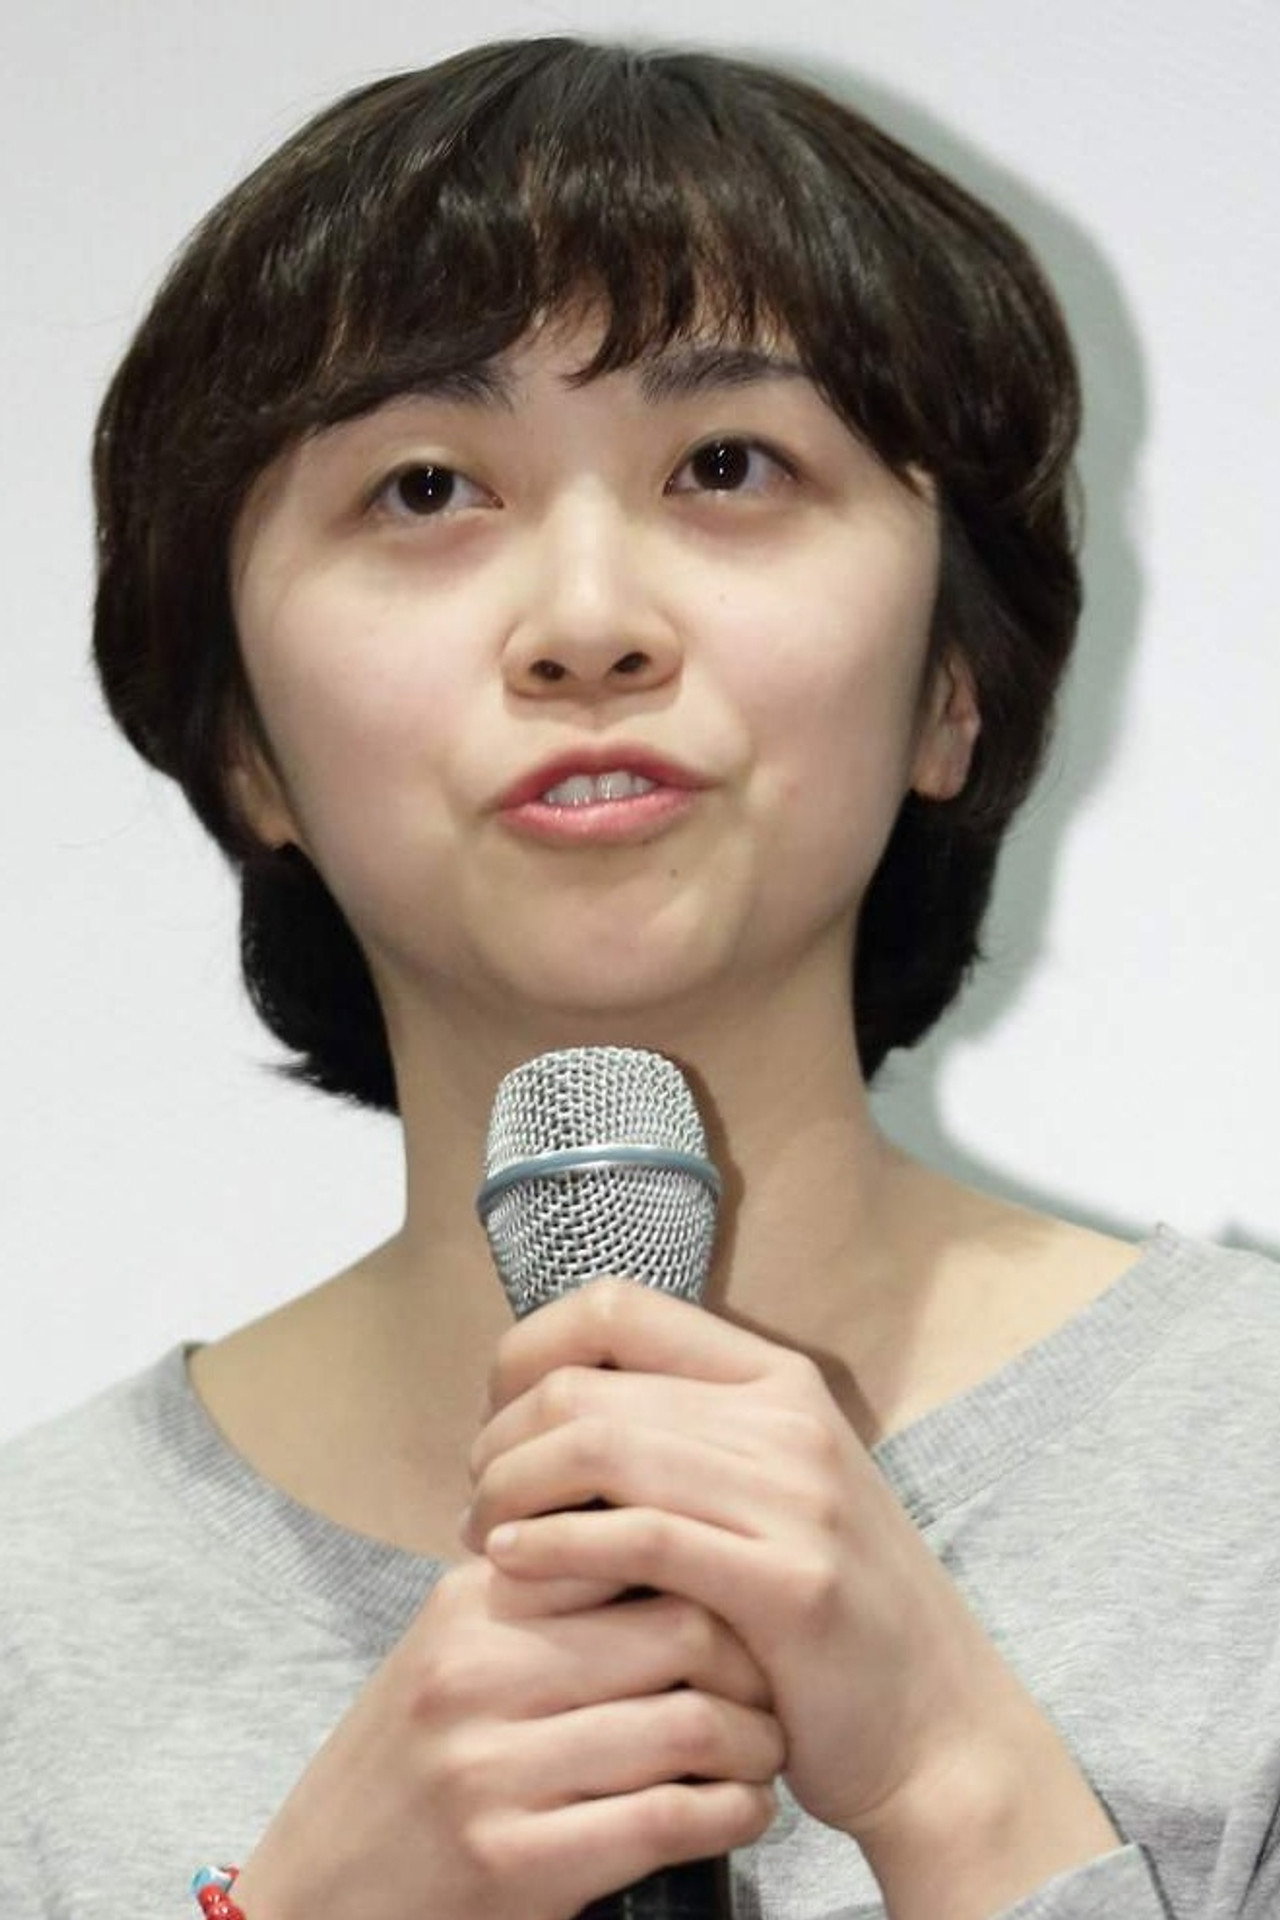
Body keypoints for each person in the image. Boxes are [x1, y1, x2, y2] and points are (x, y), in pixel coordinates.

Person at [2, 34, 1277, 1920]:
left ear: (955, 684)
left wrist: (956, 1780)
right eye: (425, 488)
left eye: (728, 465)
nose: (588, 625)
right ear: (245, 743)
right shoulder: (32, 1626)